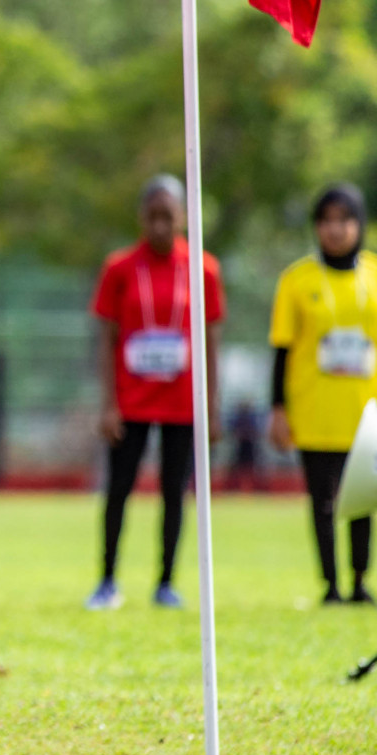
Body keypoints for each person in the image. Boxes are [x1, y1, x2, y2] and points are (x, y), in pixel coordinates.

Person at [88, 174, 223, 611]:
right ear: (142, 218)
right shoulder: (120, 268)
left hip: (182, 402)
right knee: (119, 490)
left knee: (174, 491)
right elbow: (107, 339)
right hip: (131, 401)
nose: (161, 225)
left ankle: (166, 582)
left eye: (169, 216)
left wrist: (211, 405)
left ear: (184, 216)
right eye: (153, 217)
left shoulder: (203, 269)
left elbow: (210, 341)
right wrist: (108, 403)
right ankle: (107, 581)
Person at [269, 184, 377, 605]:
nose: (336, 230)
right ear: (316, 227)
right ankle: (330, 584)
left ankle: (359, 580)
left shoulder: (373, 276)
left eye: (344, 220)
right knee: (323, 501)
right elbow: (280, 349)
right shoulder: (296, 280)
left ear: (359, 224)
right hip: (314, 411)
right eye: (327, 221)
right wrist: (278, 408)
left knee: (364, 500)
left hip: (365, 412)